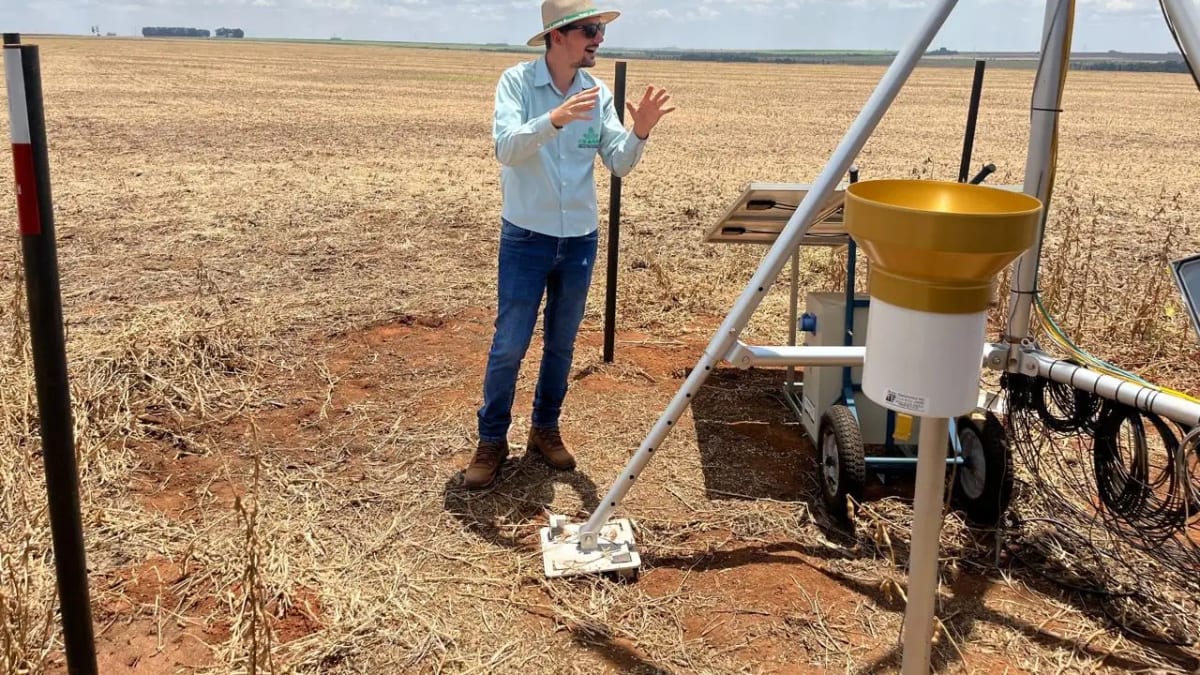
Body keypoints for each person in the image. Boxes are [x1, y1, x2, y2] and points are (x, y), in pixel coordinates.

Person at [464, 0, 676, 489]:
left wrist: (640, 131)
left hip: (579, 239)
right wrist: (553, 120)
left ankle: (545, 429)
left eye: (599, 30)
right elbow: (506, 148)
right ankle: (492, 439)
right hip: (526, 237)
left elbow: (619, 162)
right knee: (509, 346)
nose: (598, 39)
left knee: (561, 345)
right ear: (558, 36)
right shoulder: (517, 84)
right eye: (589, 30)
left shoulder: (596, 93)